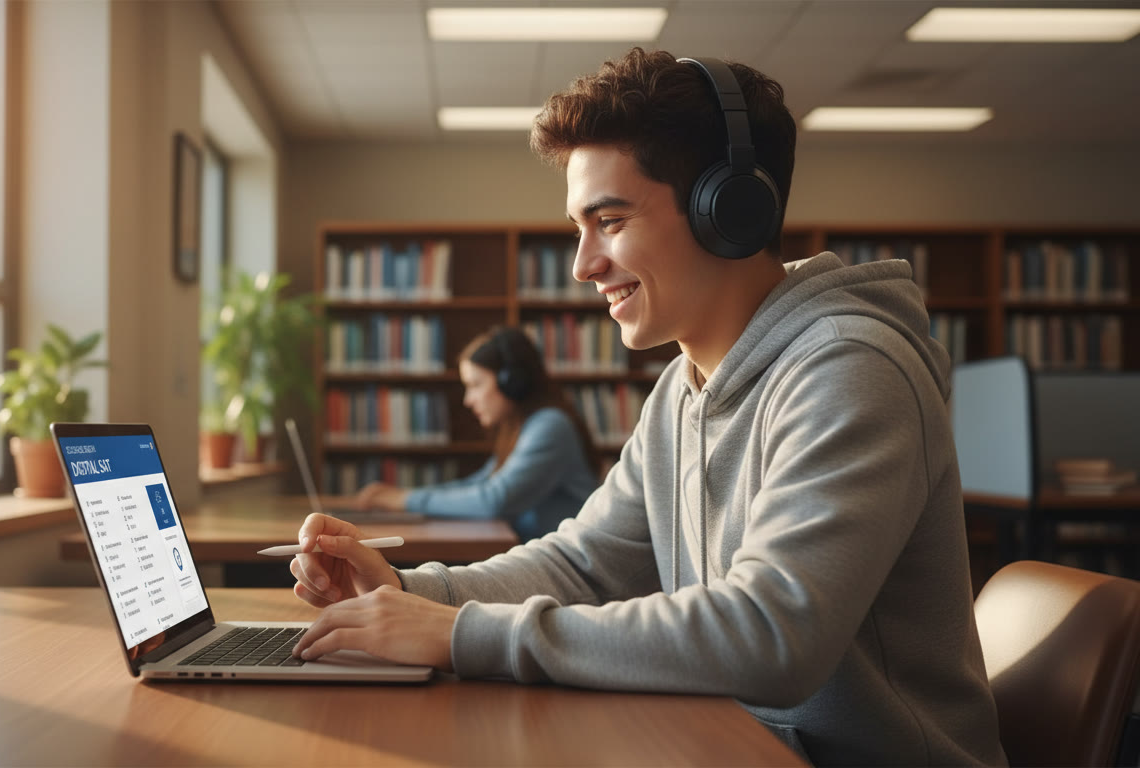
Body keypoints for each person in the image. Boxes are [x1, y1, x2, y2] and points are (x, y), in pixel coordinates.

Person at [287, 49, 1007, 766]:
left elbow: (770, 636)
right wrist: (417, 592)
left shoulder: (851, 369)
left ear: (728, 210)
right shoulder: (682, 389)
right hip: (733, 746)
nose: (582, 264)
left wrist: (456, 635)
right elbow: (585, 567)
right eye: (579, 226)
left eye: (610, 219)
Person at [347, 325, 600, 541]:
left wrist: (404, 500)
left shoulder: (550, 426)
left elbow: (494, 499)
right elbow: (478, 484)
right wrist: (405, 499)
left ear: (512, 382)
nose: (468, 400)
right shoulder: (521, 428)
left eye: (476, 385)